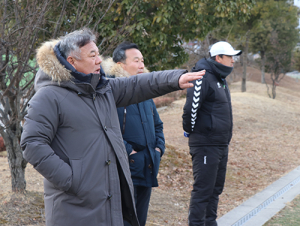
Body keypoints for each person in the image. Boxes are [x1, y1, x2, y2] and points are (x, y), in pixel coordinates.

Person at [20, 28, 205, 226]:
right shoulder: (49, 96)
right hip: (72, 206)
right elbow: (32, 143)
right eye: (93, 55)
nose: (99, 60)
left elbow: (137, 85)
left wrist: (175, 79)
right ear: (71, 61)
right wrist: (71, 180)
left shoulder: (102, 89)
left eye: (98, 54)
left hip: (106, 198)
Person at [101, 42, 164, 226]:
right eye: (136, 60)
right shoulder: (111, 90)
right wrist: (129, 152)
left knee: (140, 219)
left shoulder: (145, 90)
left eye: (142, 60)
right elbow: (106, 128)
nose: (141, 65)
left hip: (148, 164)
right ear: (120, 65)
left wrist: (159, 148)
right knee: (124, 219)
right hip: (125, 166)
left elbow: (157, 124)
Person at [182, 41, 242, 226]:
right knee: (204, 190)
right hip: (206, 144)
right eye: (230, 57)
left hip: (220, 144)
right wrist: (192, 132)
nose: (233, 61)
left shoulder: (219, 78)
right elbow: (190, 110)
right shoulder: (203, 76)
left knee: (215, 189)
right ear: (218, 58)